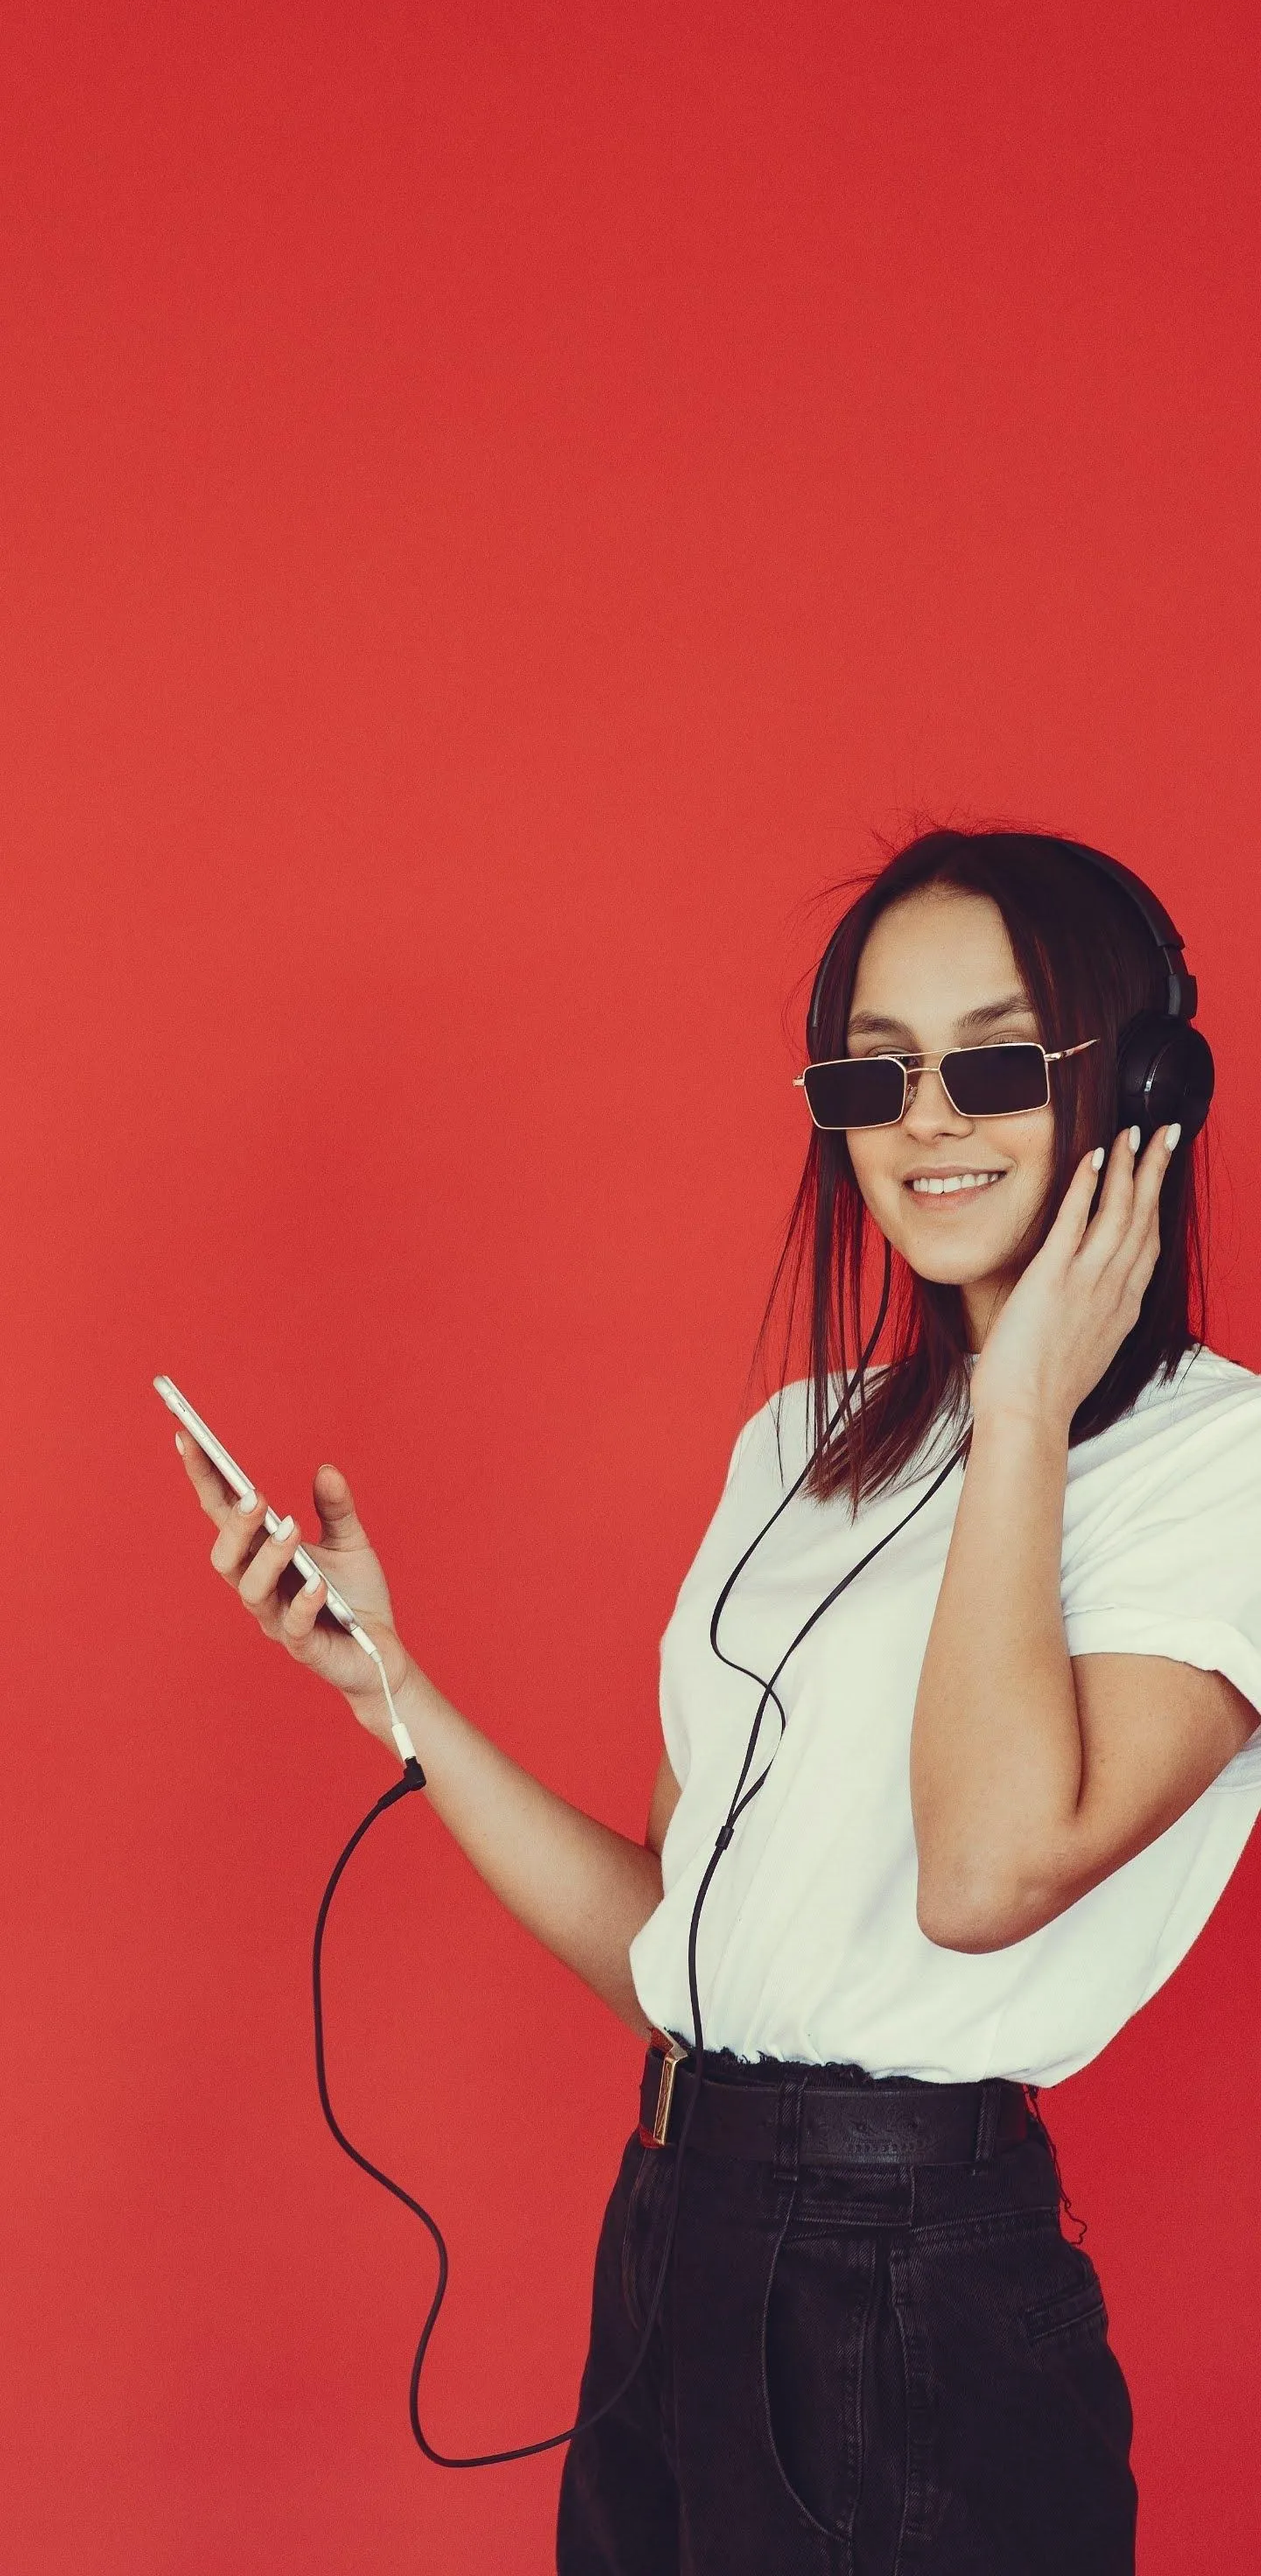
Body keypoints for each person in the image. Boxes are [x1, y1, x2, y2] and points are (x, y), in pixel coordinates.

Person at [175, 828, 1261, 2575]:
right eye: (871, 1073)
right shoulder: (796, 1452)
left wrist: (1029, 1404)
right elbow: (676, 1953)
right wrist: (393, 1687)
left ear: (1140, 1086)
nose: (926, 1122)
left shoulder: (1224, 1466)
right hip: (679, 2231)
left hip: (916, 2273)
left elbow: (983, 1873)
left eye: (993, 1061)